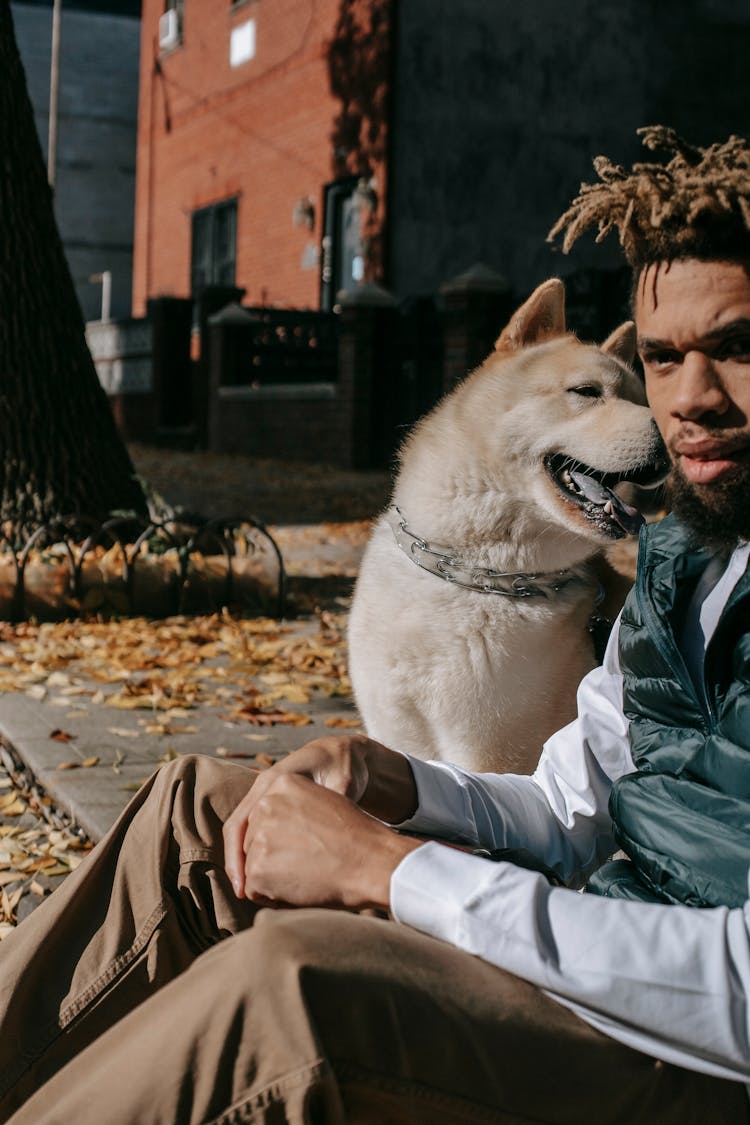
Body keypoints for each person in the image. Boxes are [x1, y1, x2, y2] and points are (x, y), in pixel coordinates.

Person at [3, 126, 750, 1124]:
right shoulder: (681, 557)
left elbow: (738, 993)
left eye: (738, 347)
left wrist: (388, 870)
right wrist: (401, 788)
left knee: (288, 991)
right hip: (598, 939)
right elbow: (572, 808)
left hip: (686, 1055)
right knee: (203, 816)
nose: (690, 401)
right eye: (663, 358)